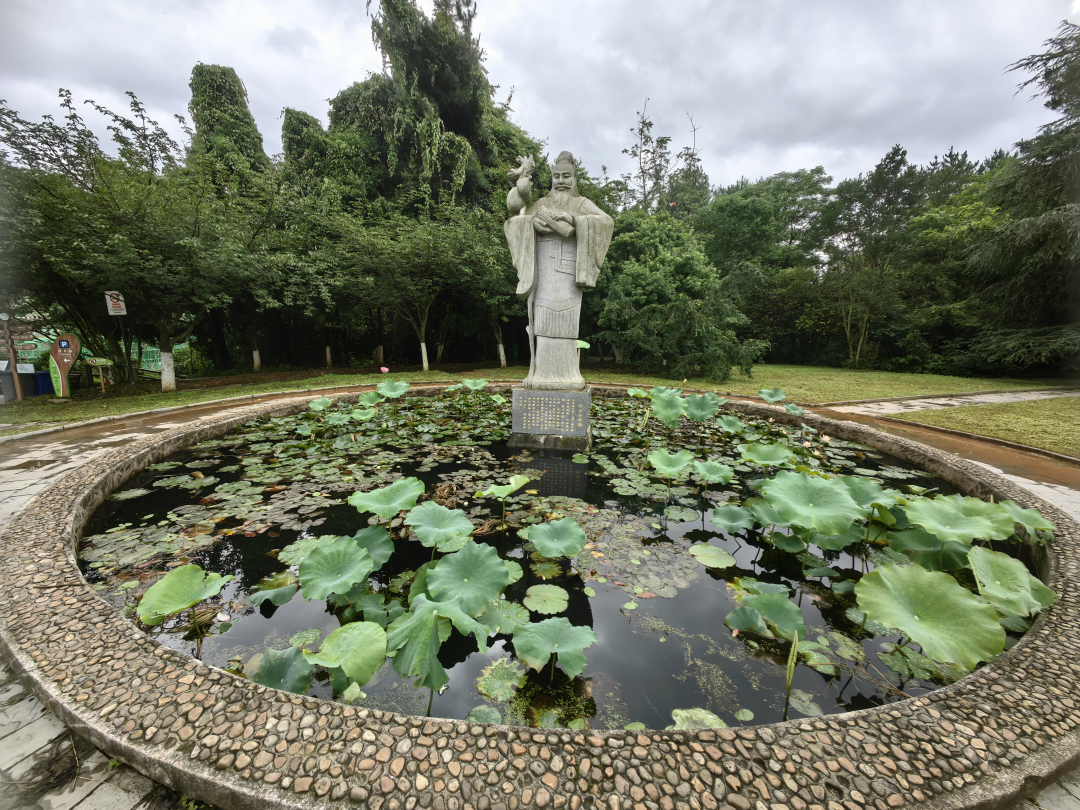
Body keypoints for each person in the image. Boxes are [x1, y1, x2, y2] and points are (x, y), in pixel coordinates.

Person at [503, 152, 614, 390]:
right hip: (543, 271)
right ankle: (541, 373)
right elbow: (516, 217)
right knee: (543, 319)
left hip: (568, 273)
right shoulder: (542, 203)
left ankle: (567, 373)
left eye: (566, 176)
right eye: (557, 177)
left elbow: (606, 222)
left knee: (566, 320)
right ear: (551, 178)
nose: (561, 181)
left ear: (574, 179)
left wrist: (573, 219)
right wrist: (531, 224)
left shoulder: (581, 204)